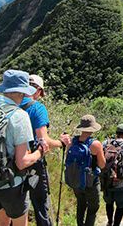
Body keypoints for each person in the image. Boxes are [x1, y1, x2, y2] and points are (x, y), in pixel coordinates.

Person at [0, 69, 50, 226]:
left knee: (3, 221)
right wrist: (40, 152)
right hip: (8, 183)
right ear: (23, 91)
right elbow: (22, 162)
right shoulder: (19, 116)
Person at [19, 74, 71, 226]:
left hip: (11, 161)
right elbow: (44, 140)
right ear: (38, 91)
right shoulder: (37, 108)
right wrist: (61, 142)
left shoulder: (10, 105)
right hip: (34, 161)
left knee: (17, 207)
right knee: (40, 204)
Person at [66, 115, 106, 226]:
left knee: (81, 203)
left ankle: (80, 224)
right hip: (91, 181)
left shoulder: (72, 142)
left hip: (76, 179)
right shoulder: (95, 144)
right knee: (93, 206)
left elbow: (67, 160)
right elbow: (102, 165)